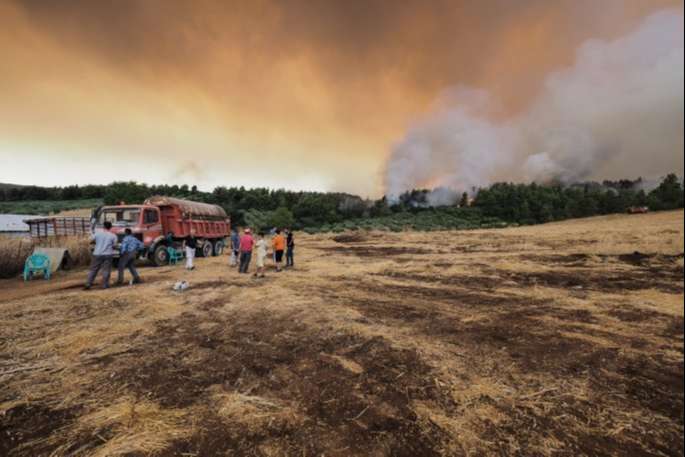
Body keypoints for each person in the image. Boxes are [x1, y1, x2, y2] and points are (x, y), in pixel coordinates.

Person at [84, 220, 117, 290]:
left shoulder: (97, 234)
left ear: (103, 226)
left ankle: (88, 284)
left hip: (97, 254)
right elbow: (114, 246)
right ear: (110, 227)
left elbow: (90, 240)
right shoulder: (113, 236)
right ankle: (104, 285)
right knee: (106, 270)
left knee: (93, 270)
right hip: (108, 254)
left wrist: (96, 243)